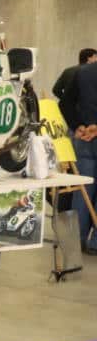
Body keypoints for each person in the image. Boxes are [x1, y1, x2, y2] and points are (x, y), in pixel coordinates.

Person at [72, 59, 97, 254]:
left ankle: (75, 239)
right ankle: (95, 242)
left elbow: (65, 102)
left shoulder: (82, 72)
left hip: (83, 138)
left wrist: (78, 125)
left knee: (82, 189)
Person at [53, 48, 97, 130]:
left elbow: (56, 90)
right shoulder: (89, 73)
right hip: (89, 119)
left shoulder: (68, 71)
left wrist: (70, 102)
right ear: (89, 58)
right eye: (95, 57)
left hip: (72, 118)